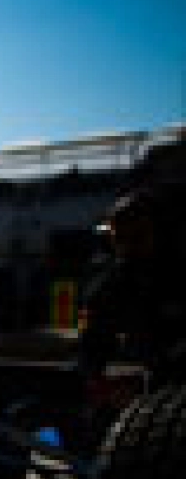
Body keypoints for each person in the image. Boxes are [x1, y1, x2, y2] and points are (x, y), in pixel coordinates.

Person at [77, 137, 186, 395]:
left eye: (137, 236)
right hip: (163, 382)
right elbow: (95, 331)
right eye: (120, 238)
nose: (127, 246)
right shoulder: (118, 279)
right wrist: (91, 375)